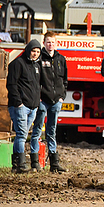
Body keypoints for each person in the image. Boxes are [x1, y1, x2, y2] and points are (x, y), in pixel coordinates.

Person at [30, 32, 68, 173]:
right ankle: (35, 163)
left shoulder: (61, 59)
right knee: (37, 130)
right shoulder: (39, 59)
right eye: (47, 42)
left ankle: (54, 164)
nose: (50, 44)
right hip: (42, 101)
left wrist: (62, 96)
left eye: (52, 42)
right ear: (44, 43)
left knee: (52, 131)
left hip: (56, 101)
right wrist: (38, 96)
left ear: (56, 43)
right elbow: (35, 79)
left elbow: (65, 80)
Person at [6, 39, 42, 173]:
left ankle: (16, 165)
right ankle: (20, 165)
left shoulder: (36, 66)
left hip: (33, 107)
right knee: (21, 135)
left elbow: (37, 85)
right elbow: (11, 84)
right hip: (20, 106)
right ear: (28, 50)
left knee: (22, 135)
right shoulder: (17, 64)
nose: (35, 54)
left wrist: (37, 104)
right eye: (33, 51)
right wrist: (18, 103)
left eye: (38, 52)